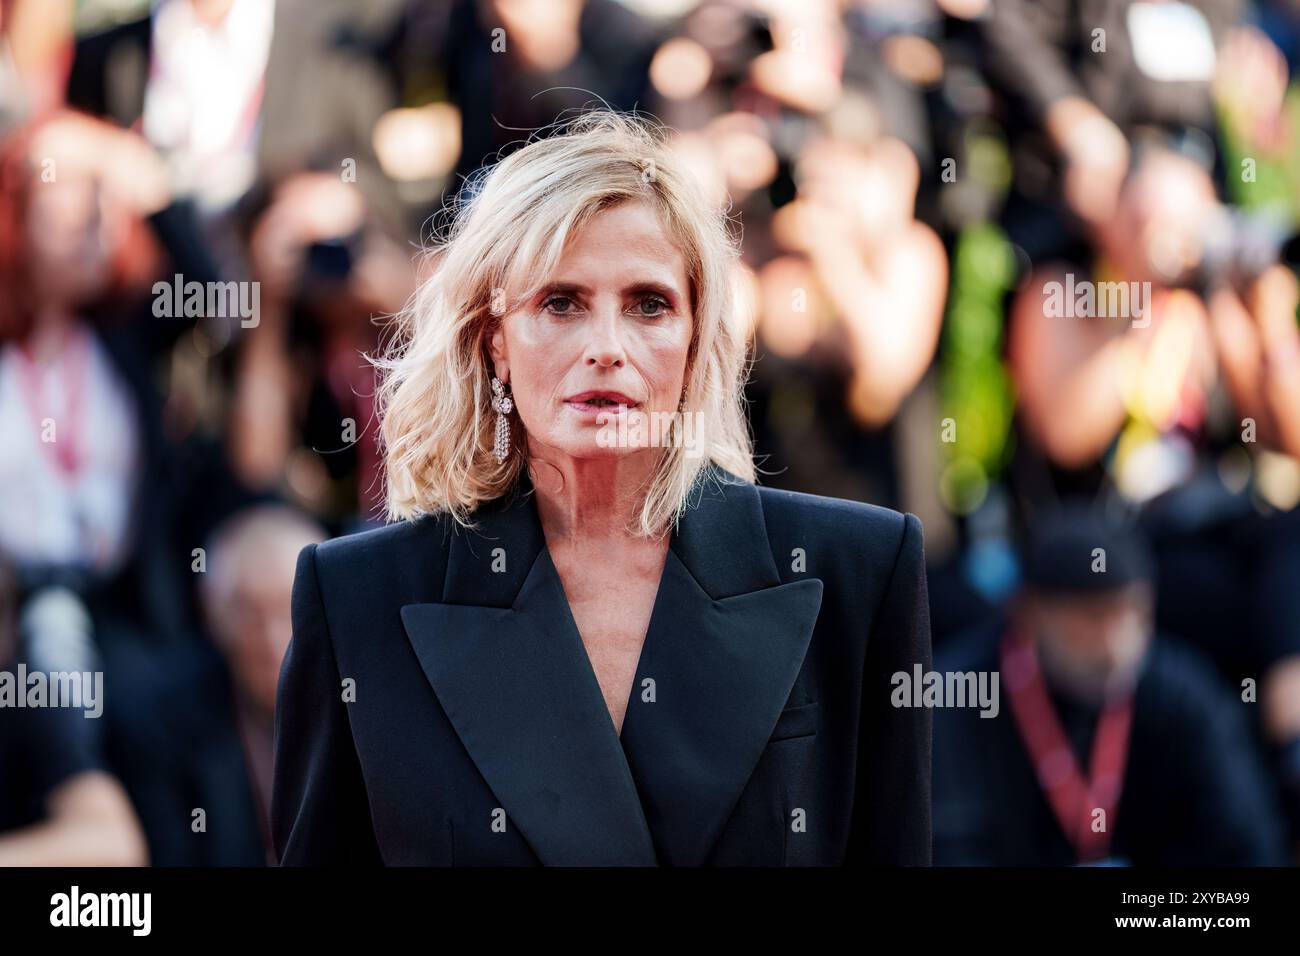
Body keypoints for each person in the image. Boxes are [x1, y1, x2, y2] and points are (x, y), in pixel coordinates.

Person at [271, 110, 932, 866]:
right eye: (561, 303)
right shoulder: (359, 597)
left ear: (695, 339)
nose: (608, 349)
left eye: (649, 305)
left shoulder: (857, 570)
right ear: (496, 342)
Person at [933, 505, 1289, 865]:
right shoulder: (960, 694)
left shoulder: (1182, 694)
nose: (1114, 647)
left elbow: (1244, 839)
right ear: (1030, 614)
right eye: (1091, 619)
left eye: (1129, 614)